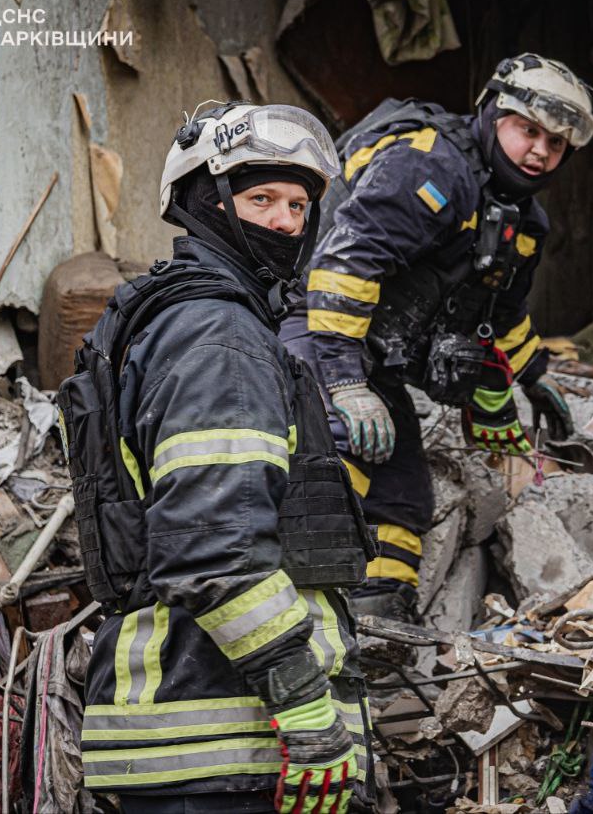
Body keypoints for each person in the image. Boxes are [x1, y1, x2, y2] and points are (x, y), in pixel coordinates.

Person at [57, 102, 377, 813]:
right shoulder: (219, 338)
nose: (287, 222)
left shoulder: (196, 320)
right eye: (261, 198)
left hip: (202, 754)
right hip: (229, 752)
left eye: (299, 204)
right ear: (209, 203)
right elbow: (214, 550)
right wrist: (304, 706)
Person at [280, 54, 593, 621]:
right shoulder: (431, 168)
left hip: (374, 362)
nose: (540, 152)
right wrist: (347, 384)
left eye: (556, 144)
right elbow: (344, 267)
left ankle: (375, 628)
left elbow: (502, 309)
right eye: (529, 131)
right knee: (339, 453)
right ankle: (294, 610)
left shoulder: (523, 221)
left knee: (404, 496)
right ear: (492, 113)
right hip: (316, 334)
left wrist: (536, 375)